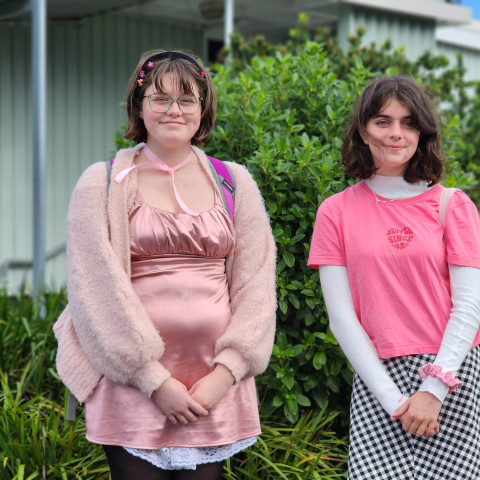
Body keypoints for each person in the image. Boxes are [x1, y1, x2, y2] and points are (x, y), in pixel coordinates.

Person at [54, 49, 276, 480]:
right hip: (130, 385)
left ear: (203, 109)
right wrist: (151, 379)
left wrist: (225, 374)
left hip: (213, 386)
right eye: (160, 98)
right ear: (139, 106)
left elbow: (256, 287)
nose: (174, 109)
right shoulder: (100, 183)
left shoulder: (236, 182)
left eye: (187, 99)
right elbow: (93, 290)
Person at [308, 75, 480, 479]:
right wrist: (393, 400)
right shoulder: (336, 211)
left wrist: (433, 389)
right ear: (363, 130)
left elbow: (470, 306)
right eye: (382, 122)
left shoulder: (452, 205)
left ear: (422, 132)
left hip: (451, 375)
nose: (395, 134)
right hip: (377, 377)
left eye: (408, 123)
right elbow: (342, 319)